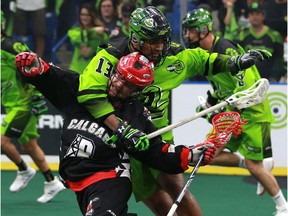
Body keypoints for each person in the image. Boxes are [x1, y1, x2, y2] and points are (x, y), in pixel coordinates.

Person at [74, 6, 271, 216]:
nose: (159, 47)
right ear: (135, 38)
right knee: (160, 205)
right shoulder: (111, 55)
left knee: (178, 191)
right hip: (125, 146)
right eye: (153, 41)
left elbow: (204, 60)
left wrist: (235, 62)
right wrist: (121, 129)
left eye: (162, 40)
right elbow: (89, 94)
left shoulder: (173, 55)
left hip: (159, 141)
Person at [15, 51, 217, 215]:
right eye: (119, 76)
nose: (119, 84)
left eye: (128, 84)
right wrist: (35, 67)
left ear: (137, 90)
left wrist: (190, 154)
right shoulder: (83, 88)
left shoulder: (136, 115)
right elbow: (51, 77)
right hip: (79, 183)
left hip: (110, 178)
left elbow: (156, 151)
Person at [182, 8, 288, 215]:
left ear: (204, 29)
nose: (187, 35)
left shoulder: (225, 49)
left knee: (254, 165)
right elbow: (222, 86)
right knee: (206, 155)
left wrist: (219, 111)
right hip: (233, 113)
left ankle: (283, 207)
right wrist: (210, 103)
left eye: (191, 30)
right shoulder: (203, 53)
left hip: (252, 113)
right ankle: (249, 164)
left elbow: (246, 89)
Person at [1, 15, 65, 203]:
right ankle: (52, 183)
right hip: (11, 103)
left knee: (2, 142)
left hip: (24, 103)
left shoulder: (10, 46)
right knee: (29, 145)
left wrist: (38, 94)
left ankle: (23, 169)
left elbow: (33, 63)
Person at [236, 2, 284, 82]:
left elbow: (279, 60)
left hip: (270, 80)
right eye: (252, 14)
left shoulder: (275, 36)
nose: (255, 16)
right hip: (247, 80)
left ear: (263, 16)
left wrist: (275, 77)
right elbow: (237, 58)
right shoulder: (241, 36)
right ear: (248, 17)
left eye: (257, 14)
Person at [68, 3, 109, 73]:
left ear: (93, 16)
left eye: (88, 15)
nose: (84, 17)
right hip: (76, 70)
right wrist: (93, 31)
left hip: (93, 69)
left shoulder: (101, 33)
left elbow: (106, 41)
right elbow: (76, 37)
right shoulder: (75, 30)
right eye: (82, 14)